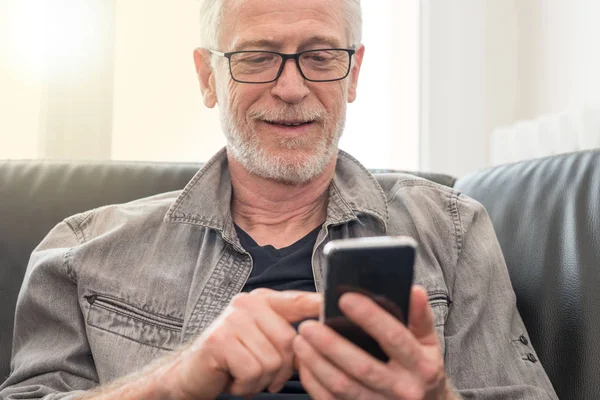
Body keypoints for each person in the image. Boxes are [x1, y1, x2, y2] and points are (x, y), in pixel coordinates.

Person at [0, 0, 558, 399]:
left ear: (354, 74)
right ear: (208, 77)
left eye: (319, 57)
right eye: (257, 57)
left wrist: (435, 397)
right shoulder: (81, 249)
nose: (291, 89)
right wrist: (172, 380)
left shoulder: (453, 230)